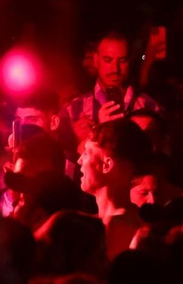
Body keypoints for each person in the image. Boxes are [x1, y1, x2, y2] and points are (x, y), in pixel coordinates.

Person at [56, 31, 160, 163]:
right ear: (96, 60)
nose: (115, 69)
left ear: (130, 61)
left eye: (122, 61)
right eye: (108, 60)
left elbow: (159, 159)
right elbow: (60, 163)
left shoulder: (150, 107)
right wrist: (82, 141)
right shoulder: (73, 111)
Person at [78, 117, 151, 258]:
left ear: (107, 165)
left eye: (86, 153)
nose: (79, 160)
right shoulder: (131, 219)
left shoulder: (116, 226)